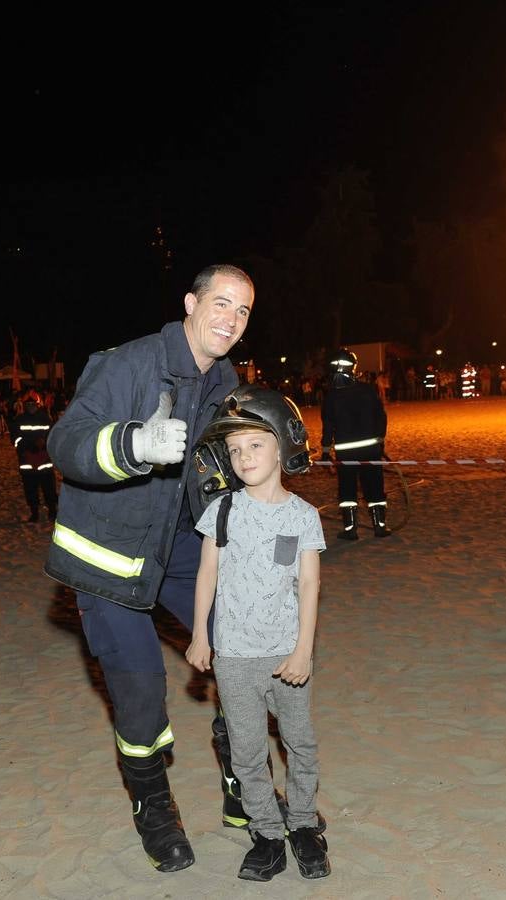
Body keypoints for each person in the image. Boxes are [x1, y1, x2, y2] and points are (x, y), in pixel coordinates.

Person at [44, 263, 254, 873]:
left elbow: (213, 469)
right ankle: (154, 808)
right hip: (106, 555)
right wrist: (132, 444)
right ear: (190, 303)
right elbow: (66, 442)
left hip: (175, 542)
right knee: (141, 694)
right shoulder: (128, 363)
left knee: (242, 645)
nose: (230, 320)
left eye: (242, 312)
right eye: (220, 303)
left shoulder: (227, 379)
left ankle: (245, 784)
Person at [185, 386, 329, 882]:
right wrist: (201, 636)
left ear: (283, 447)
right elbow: (207, 574)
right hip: (234, 657)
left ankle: (305, 824)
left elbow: (308, 584)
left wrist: (303, 650)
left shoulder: (302, 516)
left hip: (285, 656)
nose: (243, 457)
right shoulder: (221, 511)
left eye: (255, 444)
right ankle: (267, 834)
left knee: (299, 743)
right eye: (235, 449)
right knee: (246, 752)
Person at [321, 348, 389, 540]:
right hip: (371, 450)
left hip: (346, 453)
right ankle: (380, 526)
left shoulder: (331, 396)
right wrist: (380, 442)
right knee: (375, 487)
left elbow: (328, 427)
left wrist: (326, 452)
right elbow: (381, 418)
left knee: (347, 489)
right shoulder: (368, 390)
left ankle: (350, 530)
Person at [11, 397, 57, 523]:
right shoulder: (19, 420)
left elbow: (53, 436)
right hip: (27, 460)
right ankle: (34, 512)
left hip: (44, 459)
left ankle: (52, 511)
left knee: (49, 487)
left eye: (33, 404)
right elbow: (15, 439)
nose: (31, 406)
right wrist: (28, 446)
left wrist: (44, 444)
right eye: (28, 404)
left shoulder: (45, 419)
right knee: (30, 488)